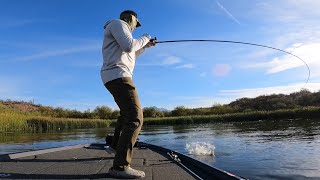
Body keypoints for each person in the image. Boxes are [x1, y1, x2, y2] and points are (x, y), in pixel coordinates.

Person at [101, 10, 156, 179]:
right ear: (130, 19)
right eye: (136, 24)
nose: (135, 27)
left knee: (126, 115)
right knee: (135, 117)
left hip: (114, 75)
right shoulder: (118, 24)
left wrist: (145, 46)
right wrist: (146, 37)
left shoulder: (120, 31)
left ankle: (115, 147)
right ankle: (120, 166)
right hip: (119, 75)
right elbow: (130, 46)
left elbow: (131, 52)